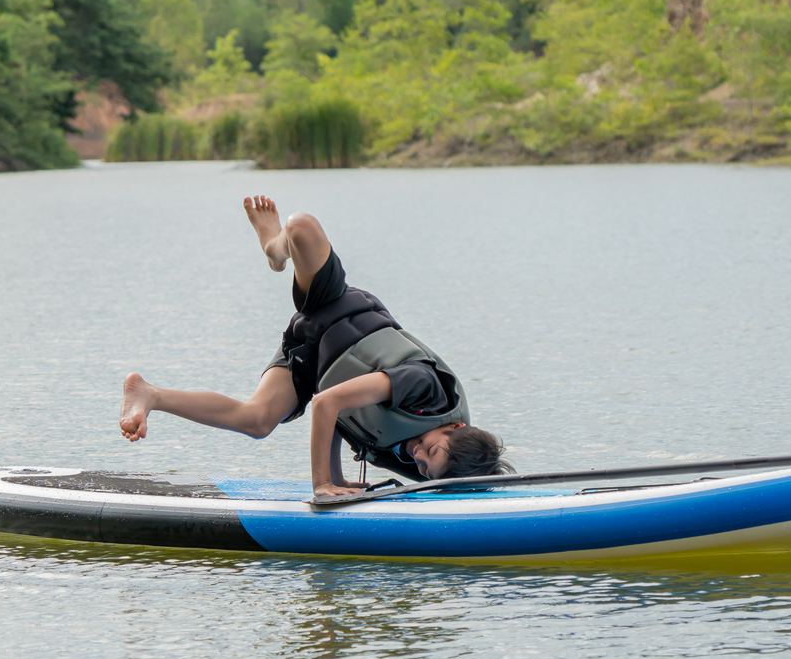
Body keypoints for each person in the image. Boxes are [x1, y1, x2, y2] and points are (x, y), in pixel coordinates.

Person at [119, 195, 512, 496]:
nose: (418, 457)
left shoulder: (423, 459)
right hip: (336, 313)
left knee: (256, 420)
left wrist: (338, 478)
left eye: (425, 469)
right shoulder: (425, 389)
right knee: (301, 226)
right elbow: (327, 404)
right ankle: (275, 249)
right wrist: (322, 483)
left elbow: (347, 416)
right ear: (456, 427)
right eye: (432, 451)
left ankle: (150, 394)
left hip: (312, 357)